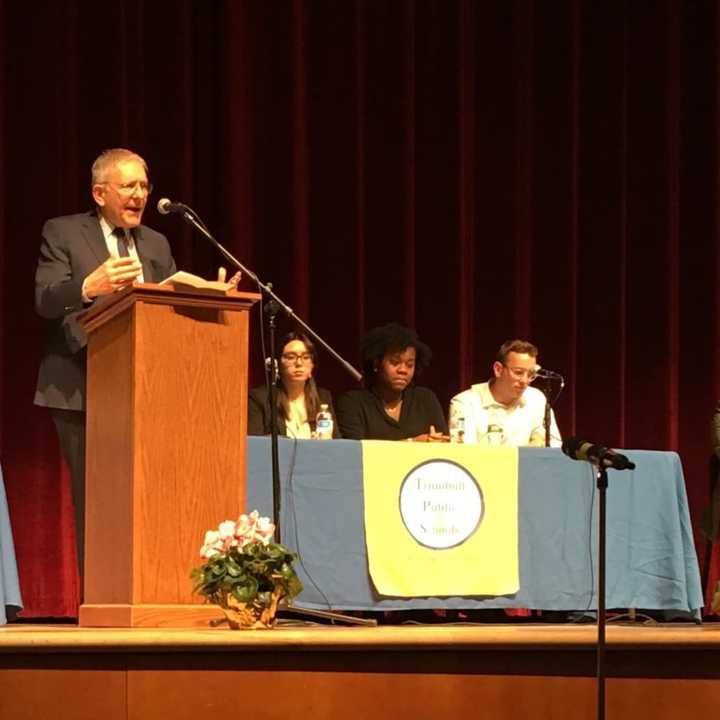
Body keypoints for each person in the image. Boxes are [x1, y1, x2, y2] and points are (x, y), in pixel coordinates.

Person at [34, 148, 178, 579]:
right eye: (129, 186)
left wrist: (206, 299)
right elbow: (44, 300)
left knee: (145, 497)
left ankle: (148, 589)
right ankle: (97, 599)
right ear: (100, 192)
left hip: (146, 388)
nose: (139, 195)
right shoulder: (62, 233)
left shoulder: (155, 243)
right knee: (95, 499)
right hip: (83, 386)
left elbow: (166, 305)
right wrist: (86, 286)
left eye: (144, 186)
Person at [336, 323, 448, 441]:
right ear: (376, 364)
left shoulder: (425, 399)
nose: (403, 370)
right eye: (395, 362)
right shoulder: (353, 403)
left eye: (410, 365)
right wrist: (412, 443)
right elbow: (355, 452)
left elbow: (444, 443)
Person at [449, 339, 561, 447]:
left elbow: (554, 447)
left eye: (531, 374)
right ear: (498, 369)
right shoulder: (465, 403)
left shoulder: (536, 399)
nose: (525, 381)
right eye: (518, 372)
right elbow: (465, 453)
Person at [248, 331, 340, 438]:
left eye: (306, 357)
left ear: (312, 366)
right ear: (278, 364)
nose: (299, 363)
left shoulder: (323, 398)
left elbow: (337, 441)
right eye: (291, 357)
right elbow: (255, 443)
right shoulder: (260, 398)